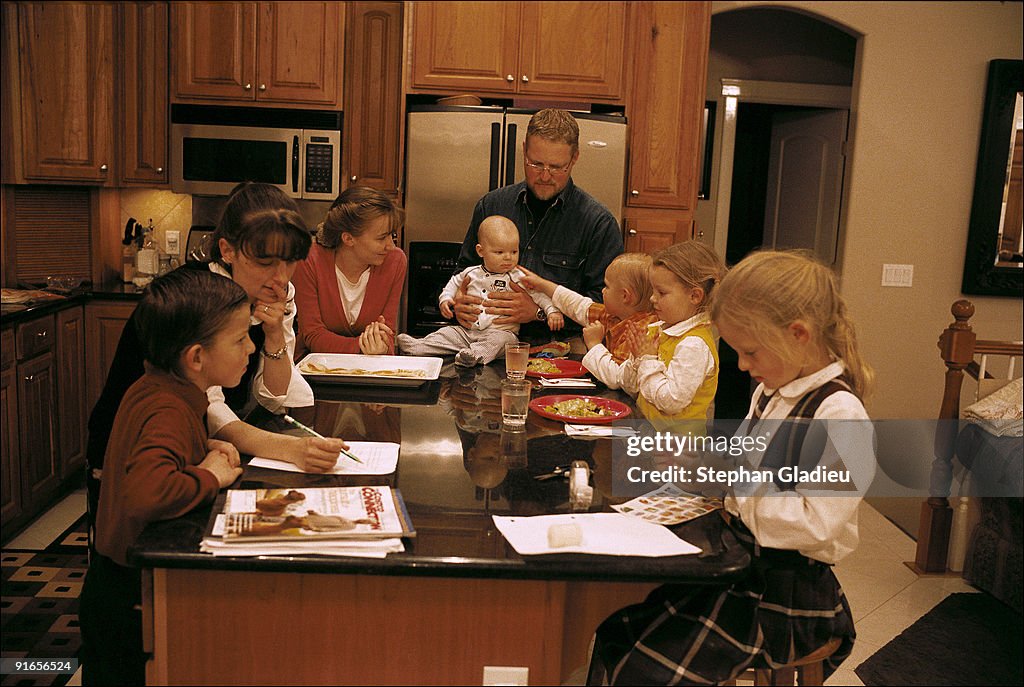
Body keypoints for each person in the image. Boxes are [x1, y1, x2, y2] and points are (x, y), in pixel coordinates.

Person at [588, 249, 875, 685]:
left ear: (798, 335)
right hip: (740, 561)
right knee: (615, 627)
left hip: (787, 589)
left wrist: (733, 487)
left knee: (646, 668)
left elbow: (817, 525)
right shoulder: (773, 390)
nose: (742, 365)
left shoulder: (840, 415)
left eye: (751, 352)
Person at [86, 183, 347, 533]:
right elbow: (210, 411)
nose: (280, 277)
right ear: (227, 250)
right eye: (265, 262)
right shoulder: (199, 302)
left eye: (290, 262)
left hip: (191, 453)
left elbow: (273, 396)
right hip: (131, 460)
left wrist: (273, 334)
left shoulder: (274, 292)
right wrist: (292, 450)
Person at [80, 270, 250, 684]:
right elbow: (146, 492)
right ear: (196, 357)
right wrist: (209, 476)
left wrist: (198, 451)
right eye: (240, 339)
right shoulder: (169, 410)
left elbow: (145, 455)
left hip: (108, 583)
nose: (249, 348)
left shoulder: (155, 386)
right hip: (129, 598)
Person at [453, 108, 623, 338]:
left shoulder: (598, 224)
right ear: (524, 150)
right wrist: (460, 302)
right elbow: (464, 271)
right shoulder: (491, 205)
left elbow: (606, 311)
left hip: (559, 355)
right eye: (535, 164)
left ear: (574, 158)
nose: (544, 175)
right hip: (480, 343)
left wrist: (538, 313)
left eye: (556, 167)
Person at [397, 215, 563, 366]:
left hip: (501, 332)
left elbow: (540, 295)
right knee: (446, 333)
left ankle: (475, 355)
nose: (508, 257)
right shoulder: (470, 272)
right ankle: (418, 346)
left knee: (501, 341)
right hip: (468, 331)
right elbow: (453, 284)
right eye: (499, 252)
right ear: (480, 251)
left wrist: (551, 311)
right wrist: (446, 300)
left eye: (514, 251)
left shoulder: (519, 276)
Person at [292, 186, 407, 358]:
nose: (391, 245)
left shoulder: (395, 261)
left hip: (371, 369)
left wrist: (381, 346)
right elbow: (313, 335)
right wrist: (363, 347)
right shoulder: (308, 259)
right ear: (348, 238)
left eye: (392, 235)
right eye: (382, 238)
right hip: (315, 370)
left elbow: (387, 334)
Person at [620, 241, 726, 425]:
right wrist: (636, 359)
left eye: (661, 292)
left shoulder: (694, 345)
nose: (653, 298)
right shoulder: (661, 330)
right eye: (653, 290)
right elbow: (633, 386)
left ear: (694, 296)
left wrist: (647, 360)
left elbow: (671, 401)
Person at [517, 252, 658, 388]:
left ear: (625, 296)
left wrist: (594, 344)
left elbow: (616, 379)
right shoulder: (616, 315)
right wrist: (542, 285)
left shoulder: (641, 332)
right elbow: (578, 306)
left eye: (607, 286)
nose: (602, 291)